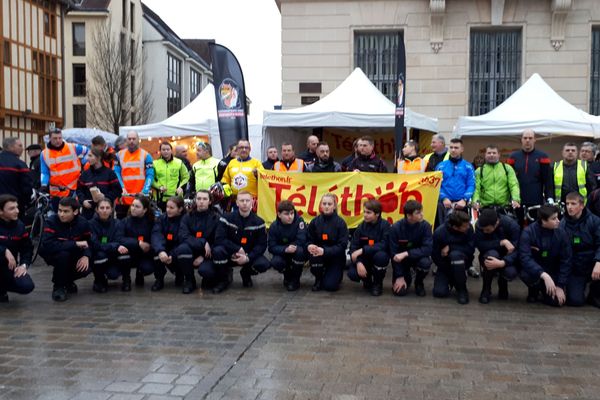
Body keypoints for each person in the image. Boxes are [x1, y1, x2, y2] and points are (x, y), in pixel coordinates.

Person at [212, 191, 270, 292]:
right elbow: (219, 239)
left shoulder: (259, 222)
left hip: (248, 254)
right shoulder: (226, 218)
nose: (244, 203)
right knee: (217, 251)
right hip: (230, 253)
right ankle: (224, 279)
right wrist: (237, 249)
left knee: (263, 264)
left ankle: (246, 273)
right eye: (242, 200)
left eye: (247, 200)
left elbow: (261, 245)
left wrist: (248, 257)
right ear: (237, 203)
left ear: (252, 202)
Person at [39, 197, 92, 302]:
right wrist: (75, 244)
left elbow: (89, 242)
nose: (61, 214)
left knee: (87, 266)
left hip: (72, 252)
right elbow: (49, 245)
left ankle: (67, 281)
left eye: (66, 211)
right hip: (52, 253)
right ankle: (58, 287)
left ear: (75, 211)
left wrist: (86, 255)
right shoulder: (51, 221)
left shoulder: (83, 223)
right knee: (63, 255)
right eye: (59, 210)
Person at [520, 204, 571, 306]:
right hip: (537, 272)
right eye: (554, 219)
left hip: (554, 272)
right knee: (525, 273)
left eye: (558, 217)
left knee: (557, 302)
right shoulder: (528, 232)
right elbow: (525, 258)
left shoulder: (561, 233)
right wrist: (543, 274)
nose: (558, 221)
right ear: (543, 221)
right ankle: (534, 290)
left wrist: (560, 285)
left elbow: (566, 259)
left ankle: (545, 292)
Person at [560, 192, 600, 307]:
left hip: (593, 263)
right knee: (575, 301)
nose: (569, 207)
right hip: (576, 268)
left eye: (573, 204)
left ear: (582, 206)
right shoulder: (562, 224)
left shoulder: (595, 221)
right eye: (567, 204)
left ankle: (595, 294)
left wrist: (598, 262)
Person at [506, 129, 552, 226]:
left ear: (535, 140)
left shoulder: (543, 156)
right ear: (521, 140)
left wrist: (549, 198)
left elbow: (547, 180)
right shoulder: (513, 157)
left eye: (530, 138)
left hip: (536, 199)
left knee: (535, 226)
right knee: (516, 225)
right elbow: (508, 180)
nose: (527, 140)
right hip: (517, 199)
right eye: (525, 138)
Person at [474, 208, 520, 304]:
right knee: (491, 257)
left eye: (487, 230)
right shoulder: (479, 225)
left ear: (496, 223)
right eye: (483, 230)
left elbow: (518, 250)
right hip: (489, 254)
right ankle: (486, 289)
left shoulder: (512, 225)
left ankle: (502, 283)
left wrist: (504, 262)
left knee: (510, 272)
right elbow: (480, 245)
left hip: (507, 258)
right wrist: (501, 242)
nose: (485, 232)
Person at [177, 190, 220, 292]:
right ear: (195, 200)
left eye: (205, 199)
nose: (201, 201)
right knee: (182, 249)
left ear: (210, 202)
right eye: (199, 199)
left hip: (208, 254)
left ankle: (219, 276)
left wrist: (204, 257)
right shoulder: (187, 217)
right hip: (192, 250)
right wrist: (203, 242)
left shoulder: (216, 218)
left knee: (206, 272)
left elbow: (219, 240)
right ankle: (189, 281)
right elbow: (183, 236)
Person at [388, 200, 433, 297]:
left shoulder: (426, 226)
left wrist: (407, 253)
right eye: (418, 213)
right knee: (400, 292)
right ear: (409, 216)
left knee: (426, 263)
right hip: (401, 261)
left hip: (417, 258)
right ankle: (405, 275)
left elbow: (428, 249)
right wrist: (399, 276)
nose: (422, 214)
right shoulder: (395, 228)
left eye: (421, 211)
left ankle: (419, 283)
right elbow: (393, 254)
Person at [347, 199, 390, 296]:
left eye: (369, 212)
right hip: (364, 258)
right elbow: (354, 246)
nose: (365, 215)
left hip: (377, 257)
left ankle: (378, 283)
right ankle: (367, 280)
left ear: (377, 214)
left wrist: (363, 249)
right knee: (352, 274)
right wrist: (358, 262)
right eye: (364, 212)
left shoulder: (385, 226)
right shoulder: (361, 226)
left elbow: (384, 245)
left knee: (382, 257)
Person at [306, 193, 349, 292]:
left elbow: (343, 245)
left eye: (329, 204)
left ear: (334, 206)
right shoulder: (314, 222)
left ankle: (336, 274)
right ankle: (318, 279)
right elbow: (308, 240)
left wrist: (324, 251)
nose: (326, 206)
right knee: (313, 256)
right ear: (320, 205)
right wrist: (309, 246)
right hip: (318, 257)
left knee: (331, 286)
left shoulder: (341, 223)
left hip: (335, 258)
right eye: (324, 203)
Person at [432, 210, 475, 305]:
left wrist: (451, 247)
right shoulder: (439, 233)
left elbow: (471, 249)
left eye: (468, 224)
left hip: (462, 261)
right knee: (439, 293)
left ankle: (462, 289)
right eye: (465, 226)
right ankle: (452, 280)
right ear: (455, 227)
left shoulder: (469, 229)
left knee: (455, 255)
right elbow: (435, 255)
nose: (468, 227)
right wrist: (446, 268)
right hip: (445, 266)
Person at [40, 128, 88, 211]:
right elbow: (44, 172)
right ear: (50, 138)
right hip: (56, 192)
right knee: (58, 216)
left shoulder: (72, 147)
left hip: (73, 189)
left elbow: (87, 151)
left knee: (73, 215)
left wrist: (84, 162)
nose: (58, 140)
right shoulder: (44, 154)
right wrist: (44, 184)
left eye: (60, 138)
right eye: (55, 138)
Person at [116, 195, 156, 289]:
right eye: (132, 205)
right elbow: (119, 238)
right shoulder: (124, 222)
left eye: (137, 207)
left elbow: (154, 237)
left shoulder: (151, 222)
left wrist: (149, 246)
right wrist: (138, 243)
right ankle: (126, 279)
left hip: (144, 254)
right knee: (123, 256)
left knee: (148, 268)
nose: (133, 208)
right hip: (129, 252)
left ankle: (140, 273)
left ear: (145, 210)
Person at [0, 194, 35, 302]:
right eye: (12, 208)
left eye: (17, 207)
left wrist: (23, 265)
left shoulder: (20, 226)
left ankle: (1, 288)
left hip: (8, 268)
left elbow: (27, 249)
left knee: (26, 285)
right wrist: (4, 250)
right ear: (1, 211)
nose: (17, 211)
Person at [268, 200, 307, 291]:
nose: (290, 217)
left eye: (292, 213)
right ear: (279, 214)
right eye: (286, 214)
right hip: (283, 253)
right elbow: (271, 246)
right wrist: (285, 249)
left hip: (296, 251)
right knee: (275, 262)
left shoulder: (299, 221)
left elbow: (302, 239)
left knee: (300, 252)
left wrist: (292, 247)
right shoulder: (274, 226)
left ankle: (295, 280)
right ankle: (287, 275)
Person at [150, 196, 188, 292]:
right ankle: (159, 279)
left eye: (172, 208)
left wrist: (173, 254)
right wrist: (161, 250)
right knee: (155, 252)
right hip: (165, 247)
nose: (168, 210)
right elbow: (156, 234)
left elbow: (184, 239)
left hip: (178, 249)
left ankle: (181, 274)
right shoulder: (161, 219)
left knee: (184, 252)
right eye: (167, 207)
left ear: (180, 209)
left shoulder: (186, 220)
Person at [114, 131, 154, 219]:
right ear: (126, 141)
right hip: (123, 198)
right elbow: (116, 173)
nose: (131, 141)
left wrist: (145, 190)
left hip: (140, 198)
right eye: (129, 139)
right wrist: (122, 187)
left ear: (138, 140)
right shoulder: (119, 155)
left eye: (134, 139)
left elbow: (150, 175)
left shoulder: (146, 155)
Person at [435, 138, 475, 224]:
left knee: (461, 230)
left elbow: (471, 185)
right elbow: (437, 185)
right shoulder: (440, 166)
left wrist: (464, 200)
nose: (453, 150)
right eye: (451, 147)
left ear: (462, 149)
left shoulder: (468, 166)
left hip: (461, 204)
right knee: (443, 231)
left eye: (456, 148)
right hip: (444, 204)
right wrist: (444, 198)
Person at [76, 148, 122, 220]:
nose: (88, 158)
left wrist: (106, 197)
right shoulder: (85, 174)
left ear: (98, 158)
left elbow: (118, 190)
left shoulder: (109, 173)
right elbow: (79, 190)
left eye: (90, 156)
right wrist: (83, 201)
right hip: (88, 212)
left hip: (105, 212)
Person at [472, 145, 521, 212]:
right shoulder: (479, 171)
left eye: (494, 153)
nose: (491, 155)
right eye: (489, 153)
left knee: (512, 223)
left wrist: (515, 199)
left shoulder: (507, 168)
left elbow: (514, 185)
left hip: (504, 208)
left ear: (499, 155)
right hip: (485, 208)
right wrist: (475, 201)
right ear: (485, 155)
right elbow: (476, 189)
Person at [89, 199, 123, 293]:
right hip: (98, 255)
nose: (104, 210)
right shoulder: (90, 224)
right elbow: (94, 244)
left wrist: (107, 246)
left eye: (107, 208)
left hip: (112, 256)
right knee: (100, 255)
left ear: (112, 209)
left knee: (114, 274)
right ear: (97, 209)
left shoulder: (117, 223)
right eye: (102, 208)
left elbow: (119, 241)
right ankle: (98, 280)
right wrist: (112, 246)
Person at [221, 140, 263, 204]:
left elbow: (264, 181)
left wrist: (257, 175)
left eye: (246, 148)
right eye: (241, 147)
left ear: (250, 149)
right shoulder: (232, 163)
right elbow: (225, 180)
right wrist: (228, 194)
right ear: (237, 149)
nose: (244, 149)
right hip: (234, 201)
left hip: (250, 202)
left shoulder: (256, 163)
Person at [0, 137, 33, 217]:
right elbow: (27, 189)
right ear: (11, 147)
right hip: (14, 205)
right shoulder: (20, 164)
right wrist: (26, 203)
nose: (22, 148)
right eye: (20, 145)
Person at [152, 142, 190, 210]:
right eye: (163, 150)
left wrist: (181, 187)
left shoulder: (179, 162)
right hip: (160, 198)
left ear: (171, 150)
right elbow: (151, 179)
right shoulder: (155, 163)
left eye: (168, 149)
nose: (166, 151)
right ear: (160, 151)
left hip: (175, 197)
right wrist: (159, 187)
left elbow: (186, 177)